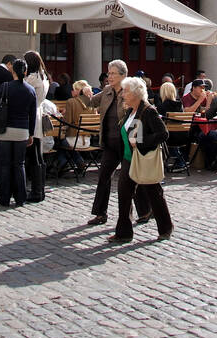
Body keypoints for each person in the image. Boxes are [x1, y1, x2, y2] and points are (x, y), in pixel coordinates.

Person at [108, 77, 173, 243]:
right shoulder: (131, 110)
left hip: (143, 158)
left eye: (126, 91)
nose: (123, 94)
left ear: (136, 93)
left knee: (154, 194)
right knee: (124, 195)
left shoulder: (148, 110)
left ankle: (165, 228)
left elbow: (163, 134)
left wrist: (140, 141)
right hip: (128, 159)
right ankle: (124, 233)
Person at [87, 59, 149, 226]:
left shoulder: (131, 91)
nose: (110, 76)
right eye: (109, 73)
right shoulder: (107, 91)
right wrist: (84, 92)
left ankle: (144, 211)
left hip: (127, 142)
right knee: (103, 176)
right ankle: (100, 214)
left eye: (113, 73)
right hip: (110, 142)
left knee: (130, 178)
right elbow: (91, 101)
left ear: (124, 75)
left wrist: (139, 139)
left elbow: (144, 109)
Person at [0, 58, 37, 207]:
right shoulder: (30, 90)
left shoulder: (6, 86)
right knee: (19, 164)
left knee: (5, 165)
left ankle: (4, 198)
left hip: (4, 130)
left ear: (12, 71)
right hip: (22, 131)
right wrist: (31, 133)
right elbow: (32, 115)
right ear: (26, 71)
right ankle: (21, 197)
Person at [21, 50, 50, 202]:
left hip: (32, 116)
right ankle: (39, 189)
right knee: (37, 155)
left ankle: (37, 190)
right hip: (37, 113)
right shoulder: (43, 76)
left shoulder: (33, 79)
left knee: (34, 156)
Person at [55, 79, 94, 176]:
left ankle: (63, 163)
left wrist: (62, 116)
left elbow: (67, 123)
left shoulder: (71, 102)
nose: (71, 91)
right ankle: (79, 161)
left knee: (58, 142)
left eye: (73, 89)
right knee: (68, 144)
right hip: (87, 140)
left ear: (78, 91)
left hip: (74, 139)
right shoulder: (91, 103)